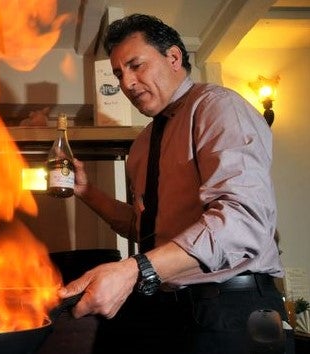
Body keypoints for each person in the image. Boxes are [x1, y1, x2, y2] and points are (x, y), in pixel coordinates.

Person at [57, 14, 294, 354]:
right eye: (120, 74)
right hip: (172, 307)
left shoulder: (218, 107)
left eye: (136, 65)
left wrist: (134, 269)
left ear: (173, 57)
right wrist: (86, 191)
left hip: (230, 308)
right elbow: (147, 230)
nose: (127, 83)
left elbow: (243, 221)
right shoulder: (142, 144)